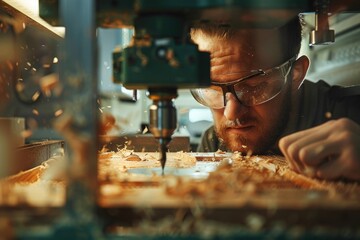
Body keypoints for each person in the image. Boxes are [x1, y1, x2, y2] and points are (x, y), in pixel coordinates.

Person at [190, 15, 360, 181]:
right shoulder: (213, 141)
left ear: (295, 75)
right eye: (214, 91)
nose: (231, 113)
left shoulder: (348, 117)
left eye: (253, 87)